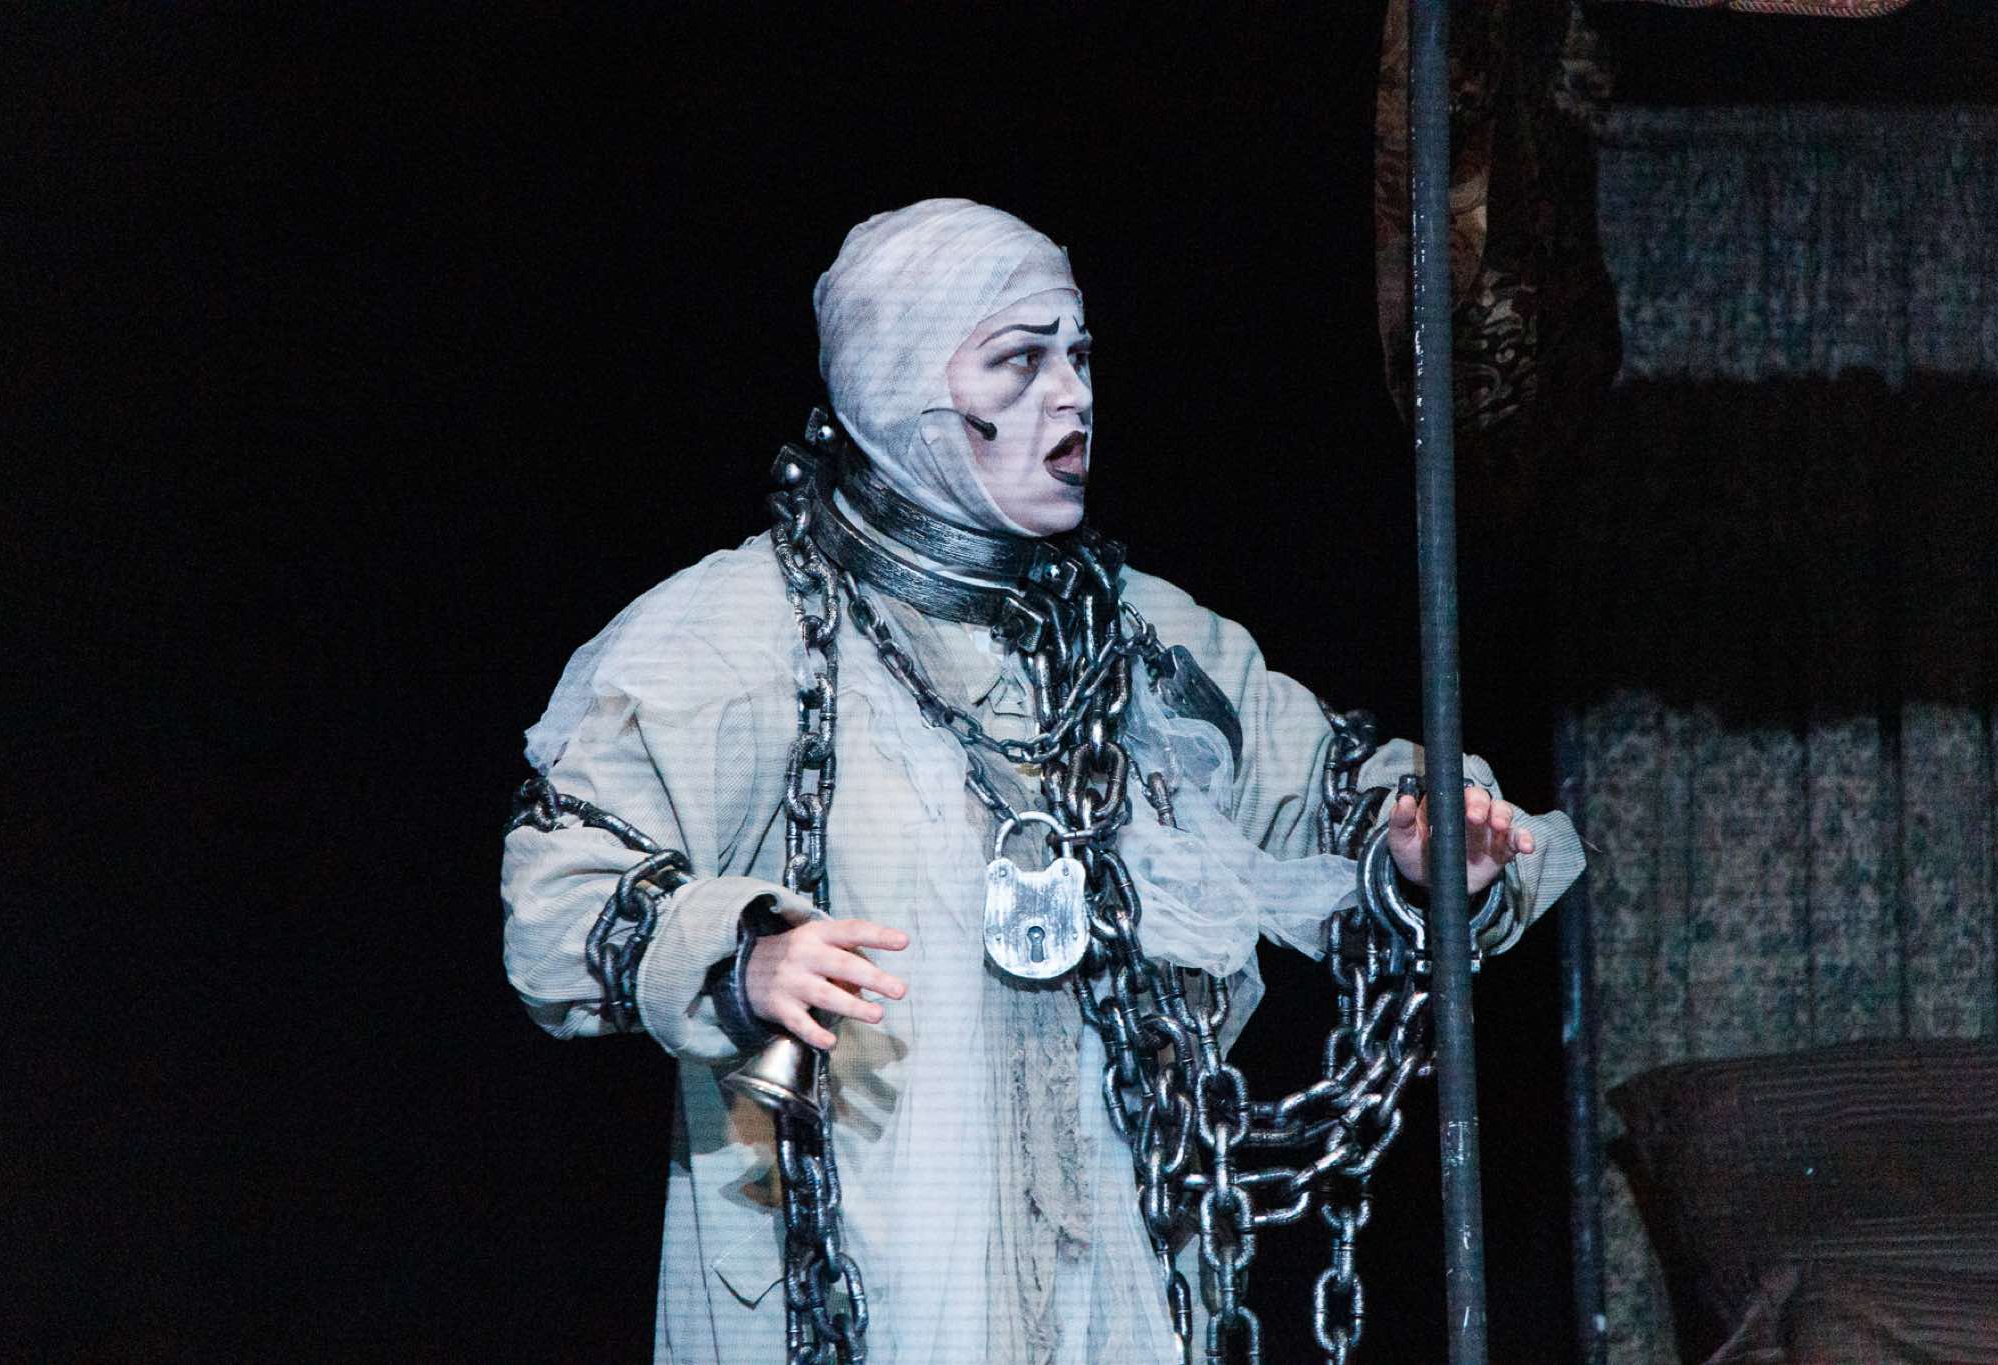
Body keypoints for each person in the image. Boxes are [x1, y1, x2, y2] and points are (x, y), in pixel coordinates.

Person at [502, 198, 1583, 1365]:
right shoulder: (735, 638)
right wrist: (740, 954)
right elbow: (562, 898)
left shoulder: (1142, 646)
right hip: (848, 1270)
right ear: (893, 386)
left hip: (1103, 1285)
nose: (1070, 398)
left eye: (1077, 356)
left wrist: (1421, 852)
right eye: (1017, 363)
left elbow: (1331, 795)